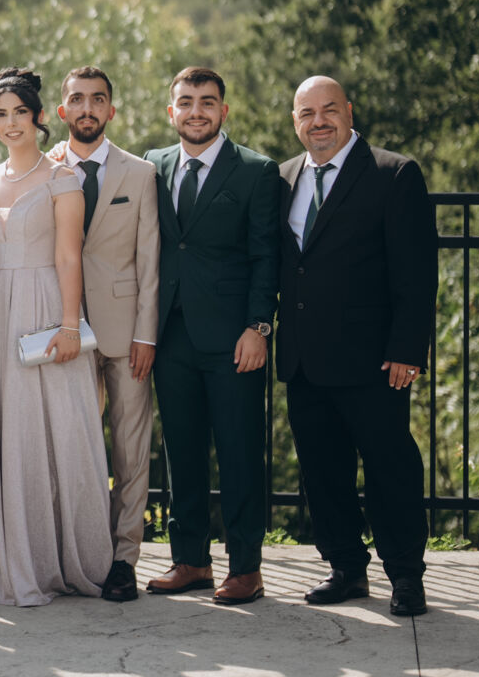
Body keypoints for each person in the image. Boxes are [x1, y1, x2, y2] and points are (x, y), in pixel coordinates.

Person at [0, 70, 117, 605]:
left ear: (40, 117)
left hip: (47, 302)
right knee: (11, 427)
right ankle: (12, 551)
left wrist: (70, 326)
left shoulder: (62, 179)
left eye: (20, 112)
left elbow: (69, 256)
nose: (10, 123)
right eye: (0, 114)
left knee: (60, 426)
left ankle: (67, 557)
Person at [277, 76, 436, 617]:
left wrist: (408, 348)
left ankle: (406, 576)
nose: (318, 121)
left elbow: (416, 272)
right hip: (304, 358)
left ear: (348, 111)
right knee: (323, 472)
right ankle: (346, 568)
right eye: (307, 113)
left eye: (329, 110)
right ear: (295, 122)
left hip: (374, 360)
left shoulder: (394, 174)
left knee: (390, 470)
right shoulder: (283, 178)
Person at [144, 67, 280, 605]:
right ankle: (191, 561)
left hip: (233, 339)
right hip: (170, 335)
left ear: (223, 110)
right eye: (185, 102)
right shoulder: (153, 166)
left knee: (240, 453)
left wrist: (258, 327)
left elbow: (266, 255)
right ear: (171, 111)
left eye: (206, 102)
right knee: (181, 453)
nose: (195, 111)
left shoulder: (256, 171)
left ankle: (246, 567)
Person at [47, 66, 160, 601]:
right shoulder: (44, 169)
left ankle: (122, 558)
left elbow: (151, 258)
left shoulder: (140, 173)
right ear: (62, 111)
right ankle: (76, 551)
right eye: (77, 99)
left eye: (97, 99)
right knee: (69, 446)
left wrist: (147, 334)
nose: (87, 108)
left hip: (124, 332)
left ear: (111, 110)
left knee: (130, 451)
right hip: (62, 329)